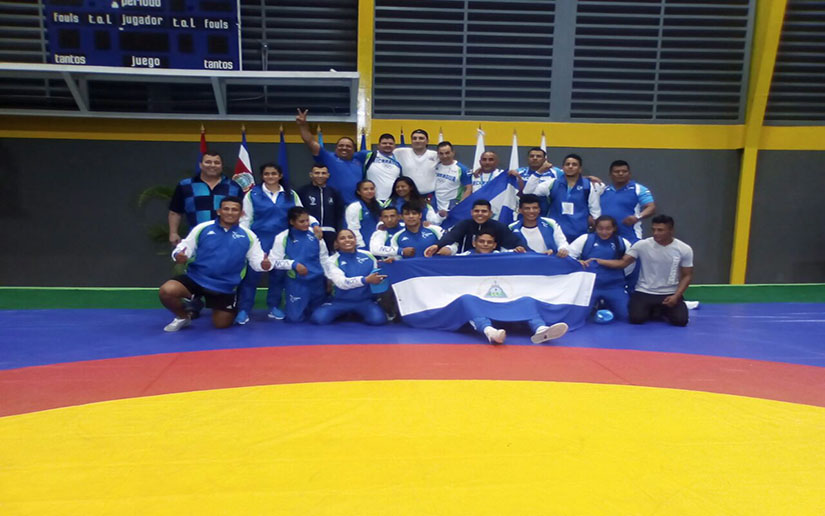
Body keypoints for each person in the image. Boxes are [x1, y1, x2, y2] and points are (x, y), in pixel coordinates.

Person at [159, 196, 268, 332]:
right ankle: (183, 317)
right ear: (219, 211)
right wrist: (178, 255)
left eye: (234, 210)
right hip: (196, 279)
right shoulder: (203, 228)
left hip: (224, 286)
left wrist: (264, 265)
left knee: (222, 324)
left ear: (241, 213)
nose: (230, 212)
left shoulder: (249, 235)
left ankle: (219, 304)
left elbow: (257, 262)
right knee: (167, 291)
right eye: (226, 209)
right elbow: (183, 248)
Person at [451, 229, 569, 345]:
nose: (485, 244)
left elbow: (528, 258)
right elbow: (447, 263)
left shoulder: (503, 255)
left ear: (494, 245)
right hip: (478, 300)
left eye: (489, 242)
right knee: (466, 299)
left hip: (502, 299)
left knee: (527, 300)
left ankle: (541, 329)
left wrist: (543, 256)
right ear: (474, 243)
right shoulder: (463, 257)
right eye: (481, 241)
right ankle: (490, 332)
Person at [583, 214, 693, 326]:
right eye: (653, 230)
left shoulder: (684, 249)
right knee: (636, 318)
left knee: (681, 321)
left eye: (660, 230)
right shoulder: (641, 245)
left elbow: (687, 275)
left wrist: (677, 296)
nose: (655, 233)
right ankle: (656, 310)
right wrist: (598, 260)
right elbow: (622, 263)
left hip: (670, 293)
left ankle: (661, 310)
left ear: (671, 230)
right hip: (644, 291)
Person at [234, 163, 303, 325]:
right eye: (266, 174)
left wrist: (312, 227)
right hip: (258, 241)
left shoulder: (290, 194)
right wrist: (246, 242)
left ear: (280, 175)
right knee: (252, 276)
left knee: (278, 275)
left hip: (282, 241)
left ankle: (274, 306)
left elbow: (300, 215)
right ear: (262, 176)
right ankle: (244, 309)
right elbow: (245, 220)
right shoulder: (253, 194)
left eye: (273, 173)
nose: (270, 176)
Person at [310, 229, 388, 325]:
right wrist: (365, 280)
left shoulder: (368, 255)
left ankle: (355, 313)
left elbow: (377, 273)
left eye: (350, 237)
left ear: (355, 240)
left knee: (378, 320)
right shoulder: (332, 261)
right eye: (342, 238)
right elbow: (342, 283)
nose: (347, 240)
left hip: (364, 301)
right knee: (318, 319)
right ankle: (344, 313)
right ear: (336, 243)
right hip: (339, 301)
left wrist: (387, 264)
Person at [267, 207, 330, 323]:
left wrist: (329, 278)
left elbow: (324, 258)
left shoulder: (316, 234)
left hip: (317, 281)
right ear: (292, 222)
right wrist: (293, 264)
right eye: (302, 221)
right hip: (297, 282)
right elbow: (274, 262)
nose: (306, 224)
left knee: (320, 318)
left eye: (307, 220)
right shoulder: (282, 237)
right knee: (295, 318)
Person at [168, 151, 243, 246]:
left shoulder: (234, 187)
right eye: (208, 162)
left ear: (222, 166)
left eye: (217, 163)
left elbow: (242, 214)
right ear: (200, 165)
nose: (212, 165)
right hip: (196, 239)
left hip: (227, 239)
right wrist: (173, 233)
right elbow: (175, 212)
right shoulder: (185, 185)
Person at [524, 153, 600, 243]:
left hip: (580, 235)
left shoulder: (589, 186)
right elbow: (527, 193)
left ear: (580, 169)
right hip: (555, 233)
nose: (570, 166)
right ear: (563, 168)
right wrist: (539, 172)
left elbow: (595, 211)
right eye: (567, 164)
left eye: (574, 164)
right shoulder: (552, 184)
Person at [569, 215, 633, 321]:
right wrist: (578, 263)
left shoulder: (623, 243)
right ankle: (596, 305)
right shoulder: (585, 239)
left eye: (608, 229)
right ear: (595, 227)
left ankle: (605, 304)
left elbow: (629, 264)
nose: (604, 232)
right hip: (589, 287)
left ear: (614, 228)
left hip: (614, 287)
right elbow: (568, 257)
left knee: (626, 316)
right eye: (600, 228)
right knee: (579, 318)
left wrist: (599, 262)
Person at [295, 108, 363, 204]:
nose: (344, 148)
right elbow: (310, 142)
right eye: (341, 145)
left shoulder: (360, 161)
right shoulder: (328, 158)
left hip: (355, 206)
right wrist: (303, 126)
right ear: (336, 148)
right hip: (332, 204)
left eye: (348, 146)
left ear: (354, 149)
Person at [424, 199, 526, 256]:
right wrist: (437, 246)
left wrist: (522, 248)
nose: (480, 214)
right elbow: (451, 236)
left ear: (490, 213)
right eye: (477, 211)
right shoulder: (464, 224)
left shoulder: (499, 226)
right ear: (471, 212)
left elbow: (516, 242)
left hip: (493, 262)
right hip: (466, 262)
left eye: (484, 211)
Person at [596, 160, 655, 243]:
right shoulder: (602, 190)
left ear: (629, 174)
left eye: (624, 171)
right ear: (610, 174)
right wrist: (590, 177)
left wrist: (637, 217)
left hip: (631, 236)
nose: (621, 174)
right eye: (617, 172)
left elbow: (651, 207)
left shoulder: (638, 189)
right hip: (606, 237)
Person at [296, 164, 345, 253]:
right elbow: (298, 214)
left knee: (330, 259)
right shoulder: (302, 192)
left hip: (330, 234)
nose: (320, 176)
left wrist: (338, 236)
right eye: (317, 173)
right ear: (311, 174)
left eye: (323, 173)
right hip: (309, 232)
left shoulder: (334, 192)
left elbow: (339, 216)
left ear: (328, 175)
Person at [354, 133, 402, 202]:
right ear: (378, 145)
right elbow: (348, 156)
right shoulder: (368, 155)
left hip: (392, 200)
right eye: (384, 143)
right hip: (372, 200)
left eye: (390, 144)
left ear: (395, 146)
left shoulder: (399, 159)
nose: (387, 145)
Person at [513, 147, 561, 214]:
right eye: (532, 156)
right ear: (528, 159)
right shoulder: (518, 172)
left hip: (548, 212)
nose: (535, 158)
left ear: (545, 159)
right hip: (524, 212)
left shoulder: (556, 172)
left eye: (538, 156)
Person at [393, 129, 438, 196]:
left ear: (427, 141)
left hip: (430, 196)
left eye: (421, 138)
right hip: (409, 195)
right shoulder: (400, 152)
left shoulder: (436, 155)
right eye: (414, 138)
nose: (417, 141)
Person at [433, 141, 473, 218]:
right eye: (441, 153)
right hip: (436, 208)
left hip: (453, 209)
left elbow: (469, 189)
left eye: (447, 153)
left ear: (453, 153)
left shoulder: (462, 169)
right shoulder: (434, 167)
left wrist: (459, 206)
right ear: (438, 154)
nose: (444, 156)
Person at [345, 179, 382, 249]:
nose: (369, 191)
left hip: (378, 243)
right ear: (359, 192)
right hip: (364, 244)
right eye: (365, 189)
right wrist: (361, 245)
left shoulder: (380, 205)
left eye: (372, 189)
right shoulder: (354, 207)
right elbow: (353, 228)